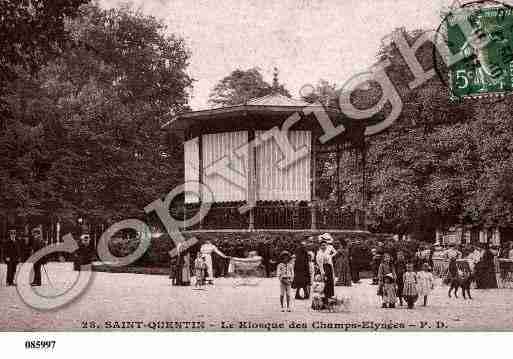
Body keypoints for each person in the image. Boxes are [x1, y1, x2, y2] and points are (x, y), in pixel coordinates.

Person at [316, 239, 335, 305]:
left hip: (329, 267)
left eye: (325, 245)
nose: (324, 246)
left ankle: (329, 296)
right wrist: (322, 272)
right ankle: (325, 298)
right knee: (325, 282)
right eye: (322, 245)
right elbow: (320, 264)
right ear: (320, 246)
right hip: (323, 268)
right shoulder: (319, 253)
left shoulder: (327, 252)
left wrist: (331, 257)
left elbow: (330, 260)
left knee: (330, 282)